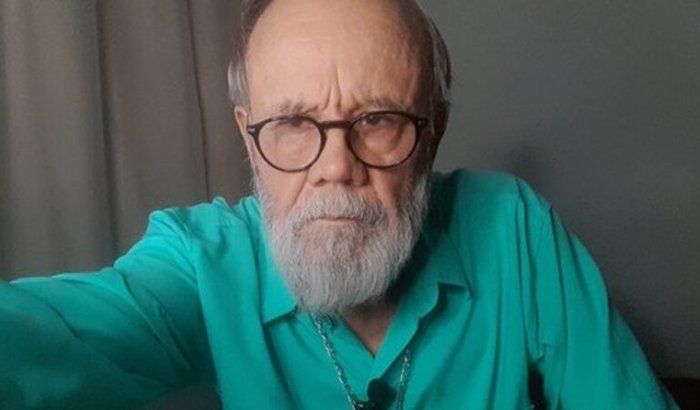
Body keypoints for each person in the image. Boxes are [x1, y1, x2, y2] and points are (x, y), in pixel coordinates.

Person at [0, 0, 678, 409]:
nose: (335, 168)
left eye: (378, 119)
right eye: (293, 123)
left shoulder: (512, 229)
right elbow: (45, 337)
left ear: (433, 132)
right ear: (247, 135)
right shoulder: (202, 264)